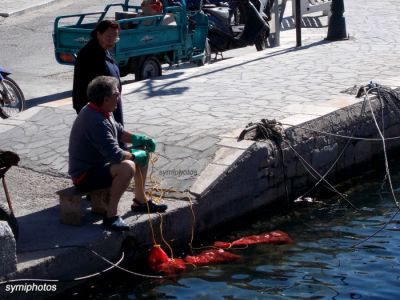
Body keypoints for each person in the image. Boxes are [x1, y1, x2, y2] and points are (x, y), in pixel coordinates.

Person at [68, 76, 167, 231]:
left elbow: (119, 132)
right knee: (127, 167)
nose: (119, 96)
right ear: (106, 99)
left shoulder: (102, 109)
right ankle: (110, 215)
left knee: (142, 151)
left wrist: (138, 139)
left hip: (100, 165)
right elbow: (115, 156)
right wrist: (134, 156)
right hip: (84, 175)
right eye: (116, 93)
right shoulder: (95, 120)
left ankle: (140, 201)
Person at [72, 20, 124, 126]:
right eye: (109, 36)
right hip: (97, 115)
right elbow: (85, 91)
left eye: (115, 37)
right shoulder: (89, 55)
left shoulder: (104, 50)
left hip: (109, 108)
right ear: (98, 34)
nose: (112, 40)